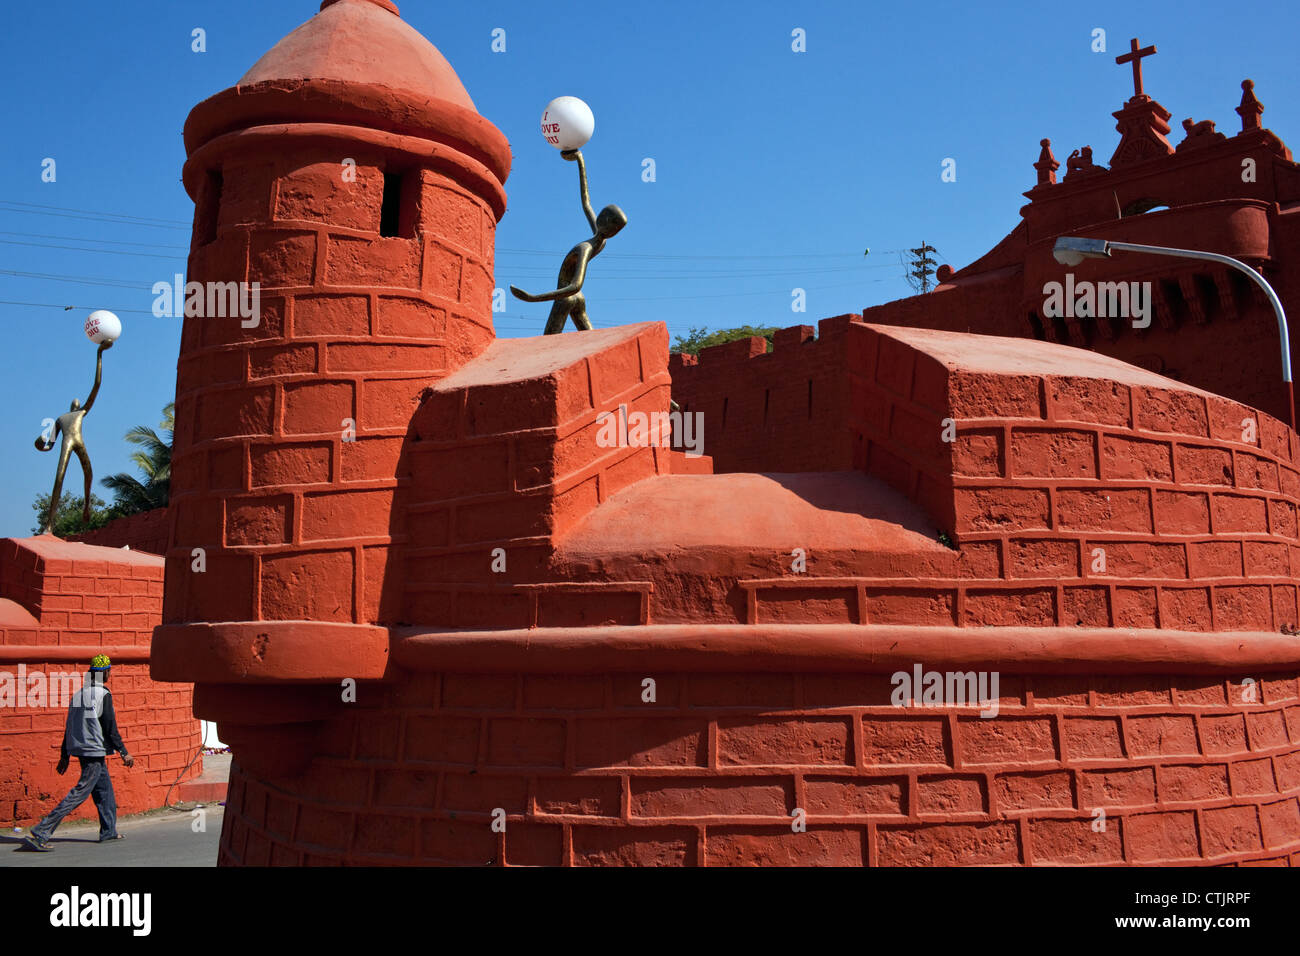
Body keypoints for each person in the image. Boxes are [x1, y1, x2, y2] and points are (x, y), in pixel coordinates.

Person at [509, 148, 627, 334]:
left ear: (605, 222)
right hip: (578, 299)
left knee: (546, 345)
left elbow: (575, 285)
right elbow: (586, 203)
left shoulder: (585, 248)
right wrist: (579, 160)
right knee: (592, 341)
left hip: (567, 297)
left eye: (602, 214)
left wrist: (534, 297)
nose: (598, 214)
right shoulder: (600, 241)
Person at [23, 654, 133, 851]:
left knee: (104, 790)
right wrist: (124, 751)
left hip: (80, 748)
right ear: (105, 672)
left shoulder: (79, 694)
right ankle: (42, 831)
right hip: (93, 750)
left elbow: (69, 726)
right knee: (80, 792)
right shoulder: (103, 695)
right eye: (109, 671)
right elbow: (110, 727)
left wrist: (64, 755)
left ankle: (108, 831)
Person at [35, 339, 112, 532]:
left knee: (89, 473)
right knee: (59, 478)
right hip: (67, 442)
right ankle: (49, 524)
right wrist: (40, 444)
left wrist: (99, 355)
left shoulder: (83, 412)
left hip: (78, 441)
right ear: (72, 406)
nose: (76, 402)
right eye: (75, 402)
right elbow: (49, 445)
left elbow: (97, 385)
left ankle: (87, 507)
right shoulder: (61, 418)